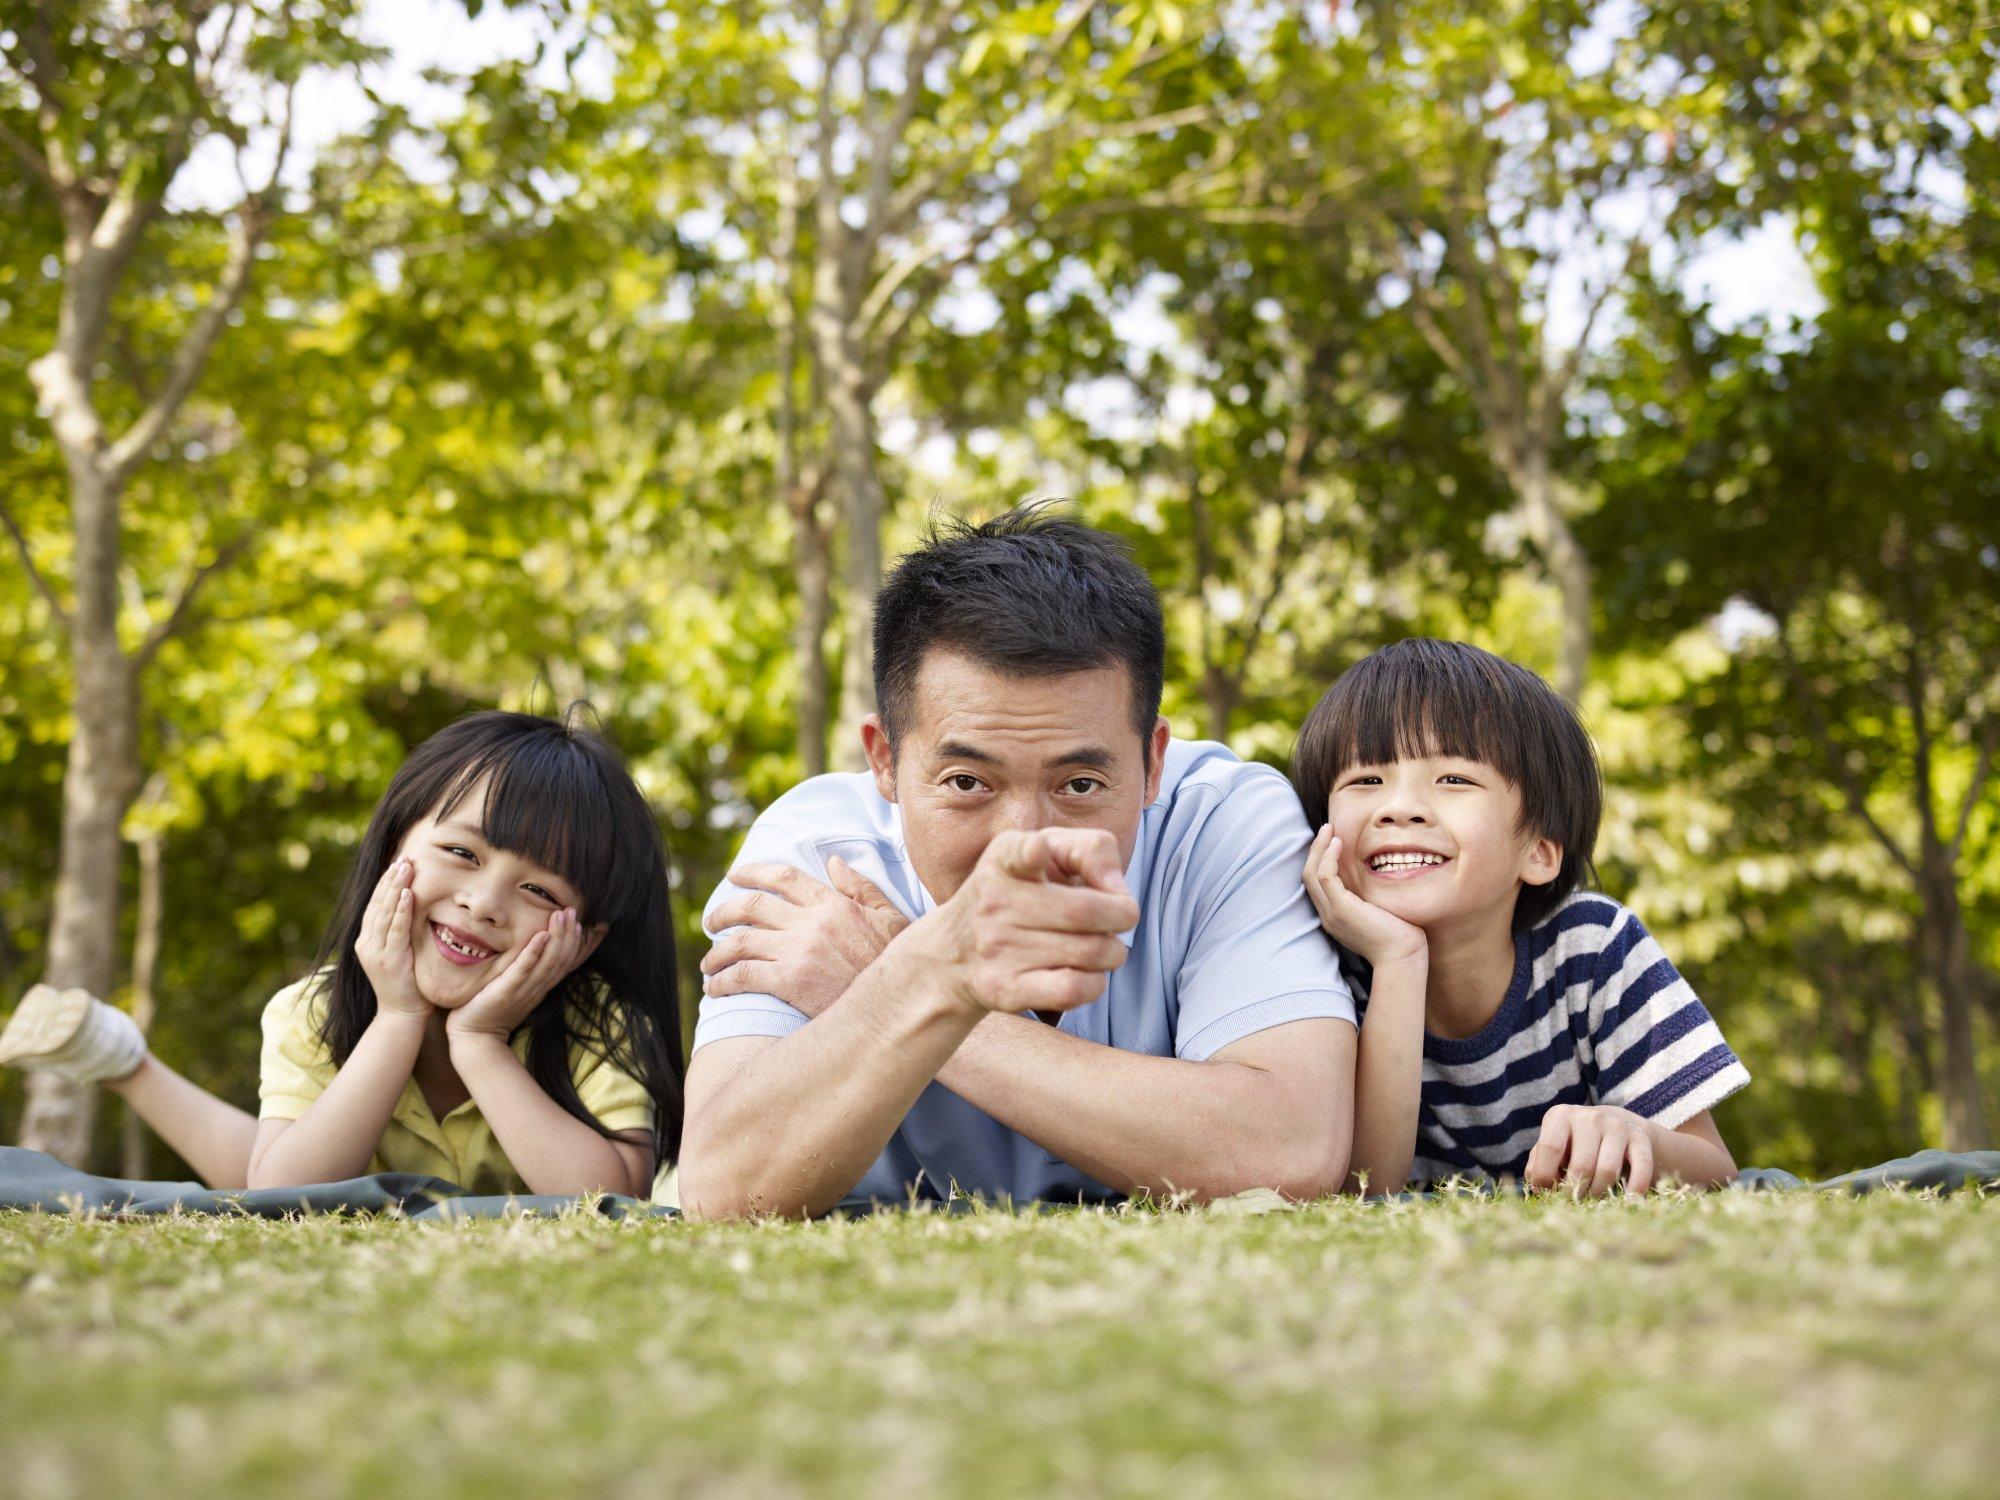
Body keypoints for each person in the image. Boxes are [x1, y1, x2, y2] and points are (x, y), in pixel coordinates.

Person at [679, 508, 1358, 1219]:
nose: (1022, 844)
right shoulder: (814, 860)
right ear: (885, 759)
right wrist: (929, 974)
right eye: (968, 784)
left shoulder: (1223, 821)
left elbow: (1290, 1152)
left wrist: (900, 981)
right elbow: (722, 1189)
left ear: (1152, 762)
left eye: (1079, 786)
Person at [0, 709, 683, 1197]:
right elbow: (286, 1195)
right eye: (460, 852)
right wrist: (396, 1017)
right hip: (308, 1149)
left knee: (258, 1168)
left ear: (584, 937)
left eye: (537, 887)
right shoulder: (314, 1009)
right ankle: (123, 1059)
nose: (482, 902)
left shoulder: (601, 1022)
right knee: (266, 1171)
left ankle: (118, 1055)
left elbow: (613, 1203)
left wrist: (481, 1042)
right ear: (392, 850)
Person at [1294, 638, 1749, 1196]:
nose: (1398, 806)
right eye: (1365, 780)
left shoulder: (1593, 948)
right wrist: (1397, 958)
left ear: (1538, 850)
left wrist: (1638, 1137)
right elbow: (1363, 1191)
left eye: (1454, 779)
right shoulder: (1318, 966)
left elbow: (1717, 1169)